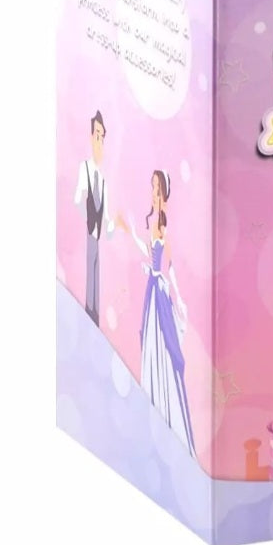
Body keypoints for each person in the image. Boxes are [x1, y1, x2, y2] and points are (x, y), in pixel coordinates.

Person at [118, 171, 195, 454]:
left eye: (157, 188)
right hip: (153, 291)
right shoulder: (155, 225)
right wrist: (129, 231)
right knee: (152, 345)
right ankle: (153, 403)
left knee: (163, 345)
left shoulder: (163, 227)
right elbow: (151, 256)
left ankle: (165, 407)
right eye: (152, 187)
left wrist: (179, 299)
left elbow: (167, 266)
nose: (153, 193)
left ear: (164, 194)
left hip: (159, 293)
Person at [72, 110, 114, 325]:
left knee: (96, 274)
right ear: (91, 137)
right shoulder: (85, 168)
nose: (100, 142)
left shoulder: (103, 179)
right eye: (97, 136)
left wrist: (114, 225)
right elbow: (78, 199)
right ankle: (89, 316)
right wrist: (88, 221)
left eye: (102, 137)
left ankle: (94, 319)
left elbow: (106, 217)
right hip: (90, 231)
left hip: (98, 235)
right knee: (90, 274)